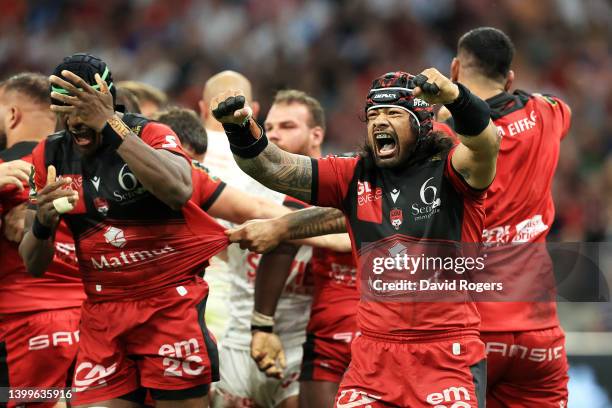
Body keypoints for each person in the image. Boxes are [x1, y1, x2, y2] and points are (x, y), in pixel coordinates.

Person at [213, 68, 500, 406]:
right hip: (373, 357)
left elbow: (485, 145)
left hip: (445, 356)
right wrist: (238, 128)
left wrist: (455, 97)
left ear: (421, 121)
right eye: (373, 115)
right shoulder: (354, 175)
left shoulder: (453, 170)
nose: (379, 122)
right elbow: (274, 168)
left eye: (393, 113)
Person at [19, 53, 229, 408]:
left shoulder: (150, 133)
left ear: (107, 101)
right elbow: (33, 263)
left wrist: (109, 125)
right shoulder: (49, 156)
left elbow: (179, 190)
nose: (74, 122)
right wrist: (43, 222)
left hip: (168, 306)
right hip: (103, 315)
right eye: (64, 110)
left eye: (84, 110)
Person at [447, 27, 571, 407]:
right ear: (510, 77)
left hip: (472, 330)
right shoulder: (548, 114)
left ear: (454, 70)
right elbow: (552, 105)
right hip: (540, 335)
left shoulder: (442, 137)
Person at [244, 90, 359, 408]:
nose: (276, 134)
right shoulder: (248, 190)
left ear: (316, 134)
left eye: (288, 126)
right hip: (313, 339)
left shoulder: (351, 181)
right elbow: (283, 238)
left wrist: (288, 228)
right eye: (270, 126)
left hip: (374, 333)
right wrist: (261, 323)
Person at [0, 72, 85, 408]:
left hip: (23, 331)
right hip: (92, 327)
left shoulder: (7, 173)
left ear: (11, 115)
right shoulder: (91, 172)